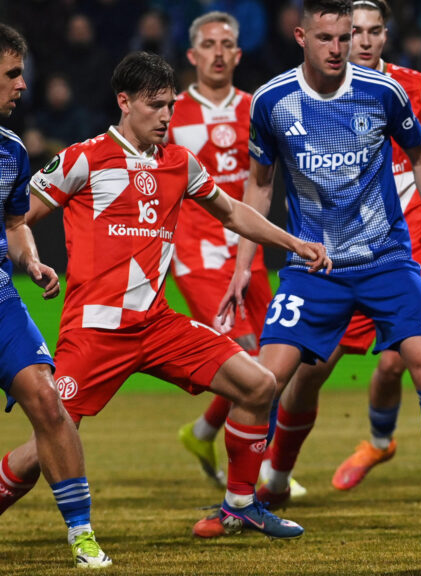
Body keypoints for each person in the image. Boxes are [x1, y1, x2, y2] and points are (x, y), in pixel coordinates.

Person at [7, 51, 329, 541]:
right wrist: (30, 261)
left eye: (171, 106)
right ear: (124, 102)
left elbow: (233, 212)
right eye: (155, 105)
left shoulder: (179, 163)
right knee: (44, 445)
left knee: (259, 385)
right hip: (95, 331)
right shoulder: (83, 158)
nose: (165, 116)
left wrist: (294, 243)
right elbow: (17, 218)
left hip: (158, 325)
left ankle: (240, 506)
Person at [206, 0, 421, 536]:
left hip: (385, 260)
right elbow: (259, 185)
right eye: (327, 38)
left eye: (345, 38)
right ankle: (240, 503)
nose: (338, 49)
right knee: (264, 380)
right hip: (313, 267)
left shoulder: (383, 91)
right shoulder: (272, 101)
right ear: (301, 36)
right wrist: (243, 266)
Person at [168, 11, 307, 502]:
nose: (218, 52)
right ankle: (261, 472)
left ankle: (203, 432)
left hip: (248, 251)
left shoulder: (256, 107)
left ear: (239, 53)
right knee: (247, 358)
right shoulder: (170, 112)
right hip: (198, 254)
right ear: (192, 55)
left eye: (227, 43)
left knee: (274, 361)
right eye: (209, 44)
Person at [0, 22, 110, 569]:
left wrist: (30, 259)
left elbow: (15, 223)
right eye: (13, 74)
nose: (23, 84)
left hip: (1, 302)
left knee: (48, 401)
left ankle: (81, 532)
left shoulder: (12, 151)